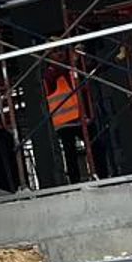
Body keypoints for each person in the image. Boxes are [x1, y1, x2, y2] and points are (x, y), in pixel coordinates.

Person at [45, 56, 91, 185]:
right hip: (64, 123)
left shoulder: (70, 70)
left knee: (94, 145)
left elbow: (87, 69)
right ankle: (75, 181)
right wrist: (72, 59)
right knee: (70, 153)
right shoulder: (50, 74)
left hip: (79, 119)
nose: (59, 55)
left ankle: (99, 173)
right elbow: (59, 72)